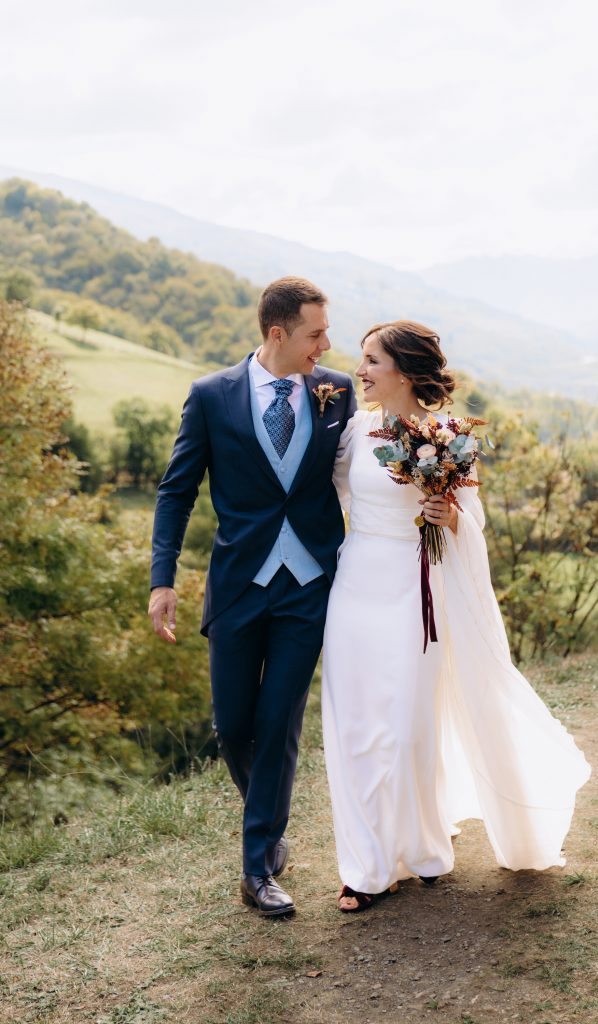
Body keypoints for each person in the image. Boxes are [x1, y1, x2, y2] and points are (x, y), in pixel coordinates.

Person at [322, 320, 591, 912]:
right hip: (356, 584)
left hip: (416, 587)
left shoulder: (448, 435)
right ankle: (367, 867)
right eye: (361, 359)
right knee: (355, 723)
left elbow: (474, 522)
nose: (359, 370)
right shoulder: (353, 431)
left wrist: (449, 518)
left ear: (404, 371)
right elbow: (336, 498)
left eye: (371, 360)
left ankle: (421, 848)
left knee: (406, 724)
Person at [149, 277, 356, 918]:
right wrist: (162, 579)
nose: (326, 344)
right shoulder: (212, 397)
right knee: (233, 725)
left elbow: (368, 467)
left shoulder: (339, 392)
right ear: (277, 334)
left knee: (278, 723)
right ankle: (267, 816)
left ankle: (257, 866)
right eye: (315, 334)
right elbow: (176, 489)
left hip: (309, 586)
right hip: (239, 584)